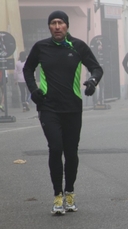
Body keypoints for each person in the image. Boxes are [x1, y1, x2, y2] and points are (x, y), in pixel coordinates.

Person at [23, 10, 103, 215]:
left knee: (71, 152)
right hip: (48, 106)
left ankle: (70, 192)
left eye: (61, 23)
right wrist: (34, 90)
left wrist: (92, 82)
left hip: (72, 107)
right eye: (53, 23)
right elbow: (27, 69)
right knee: (55, 147)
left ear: (67, 26)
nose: (57, 26)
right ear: (49, 27)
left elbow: (96, 68)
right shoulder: (41, 47)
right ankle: (57, 196)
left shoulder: (78, 47)